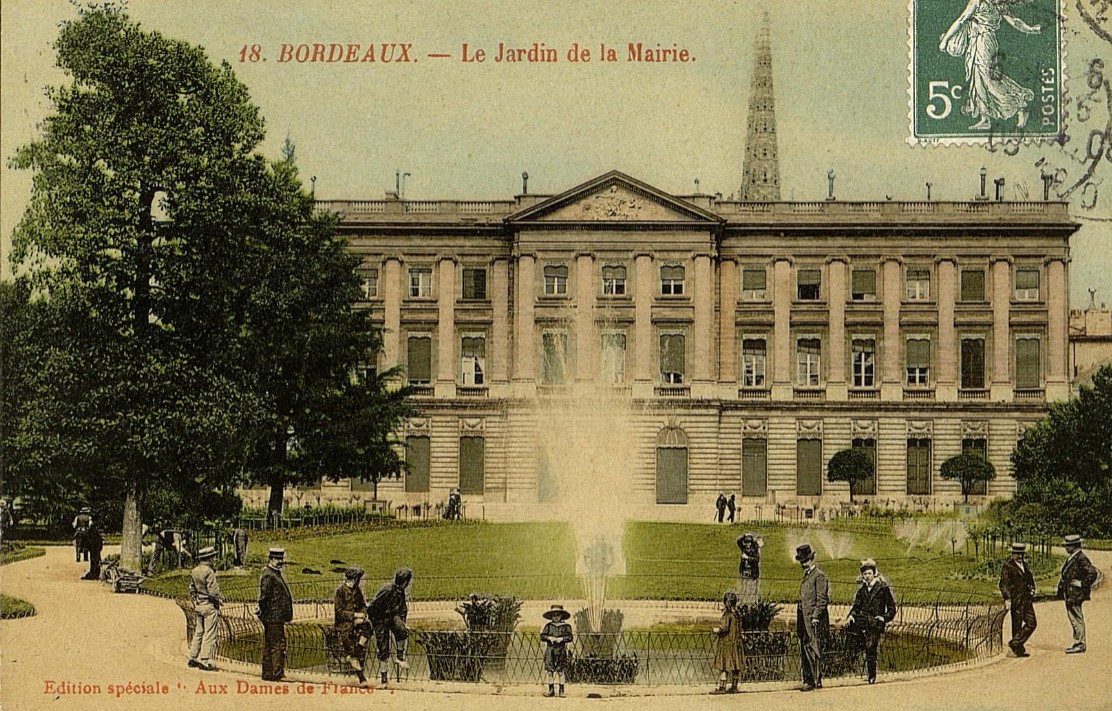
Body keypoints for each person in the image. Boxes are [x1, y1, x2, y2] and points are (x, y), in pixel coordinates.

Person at [938, 0, 1041, 130]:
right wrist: (1030, 29)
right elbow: (1015, 22)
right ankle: (985, 118)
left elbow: (961, 20)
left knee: (987, 78)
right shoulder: (989, 3)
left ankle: (1019, 105)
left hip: (983, 43)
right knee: (979, 78)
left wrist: (945, 40)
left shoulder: (988, 4)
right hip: (978, 42)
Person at [845, 559, 897, 684]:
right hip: (862, 623)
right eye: (865, 574)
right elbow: (856, 606)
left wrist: (884, 617)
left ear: (874, 574)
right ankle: (857, 670)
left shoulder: (882, 588)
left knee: (870, 647)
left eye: (869, 573)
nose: (867, 576)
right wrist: (851, 615)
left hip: (875, 624)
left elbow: (892, 608)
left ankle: (871, 676)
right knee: (857, 644)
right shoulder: (862, 591)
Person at [367, 567, 412, 687]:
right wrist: (374, 622)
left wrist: (403, 622)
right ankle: (384, 679)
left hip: (392, 616)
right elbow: (373, 606)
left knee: (402, 631)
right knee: (383, 648)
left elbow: (402, 609)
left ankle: (400, 657)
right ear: (404, 581)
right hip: (380, 619)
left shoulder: (400, 591)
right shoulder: (387, 590)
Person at [256, 547, 293, 681]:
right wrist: (266, 613)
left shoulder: (273, 572)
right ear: (270, 559)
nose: (280, 561)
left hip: (274, 616)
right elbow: (264, 597)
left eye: (281, 559)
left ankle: (268, 673)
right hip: (273, 616)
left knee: (270, 644)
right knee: (278, 644)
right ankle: (277, 673)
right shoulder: (269, 574)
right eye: (277, 559)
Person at [795, 543, 829, 692]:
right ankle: (809, 679)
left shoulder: (819, 576)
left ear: (812, 559)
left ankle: (813, 680)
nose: (804, 564)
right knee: (805, 648)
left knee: (813, 649)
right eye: (802, 562)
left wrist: (816, 616)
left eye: (806, 561)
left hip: (814, 620)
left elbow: (822, 599)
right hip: (804, 618)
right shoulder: (807, 575)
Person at [1056, 534, 1098, 654]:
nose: (1066, 548)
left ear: (1074, 546)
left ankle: (1079, 643)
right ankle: (1078, 642)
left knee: (1076, 618)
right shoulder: (1074, 557)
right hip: (1070, 593)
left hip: (1075, 593)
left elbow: (1092, 573)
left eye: (1067, 546)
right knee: (1074, 617)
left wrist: (1082, 583)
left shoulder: (1080, 558)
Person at [998, 541, 1037, 657]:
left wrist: (1033, 589)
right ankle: (1018, 650)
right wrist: (1007, 598)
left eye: (1022, 554)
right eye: (1017, 554)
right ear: (1012, 554)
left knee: (1032, 623)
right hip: (1016, 600)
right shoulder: (1008, 566)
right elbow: (1003, 584)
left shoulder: (1025, 565)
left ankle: (1014, 643)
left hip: (1027, 600)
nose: (1020, 556)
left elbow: (1030, 579)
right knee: (1017, 624)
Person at [187, 546, 223, 671]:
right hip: (209, 605)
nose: (214, 559)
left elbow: (191, 589)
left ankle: (192, 656)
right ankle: (205, 659)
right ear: (209, 558)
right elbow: (213, 591)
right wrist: (219, 600)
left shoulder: (194, 571)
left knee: (199, 631)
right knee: (209, 633)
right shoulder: (209, 572)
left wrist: (195, 599)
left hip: (199, 604)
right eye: (212, 557)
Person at [334, 566, 370, 686]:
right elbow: (339, 612)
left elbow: (362, 605)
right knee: (348, 639)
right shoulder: (340, 591)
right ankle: (361, 678)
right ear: (353, 579)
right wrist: (355, 615)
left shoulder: (357, 590)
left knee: (368, 628)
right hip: (344, 623)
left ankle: (355, 653)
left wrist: (363, 615)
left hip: (356, 621)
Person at [711, 590, 744, 694]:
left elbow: (725, 628)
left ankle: (722, 687)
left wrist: (717, 631)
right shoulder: (737, 615)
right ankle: (734, 686)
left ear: (726, 603)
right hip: (736, 644)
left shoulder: (727, 615)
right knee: (736, 666)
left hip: (726, 643)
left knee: (724, 667)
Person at [540, 603, 573, 698]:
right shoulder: (548, 626)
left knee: (560, 671)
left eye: (558, 615)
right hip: (550, 650)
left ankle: (561, 690)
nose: (556, 617)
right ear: (551, 616)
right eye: (553, 615)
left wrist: (562, 639)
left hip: (561, 650)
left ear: (561, 615)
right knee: (550, 671)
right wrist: (549, 637)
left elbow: (570, 637)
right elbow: (542, 636)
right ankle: (551, 690)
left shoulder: (566, 626)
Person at [737, 533, 761, 604]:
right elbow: (738, 541)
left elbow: (756, 560)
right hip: (745, 571)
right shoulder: (744, 549)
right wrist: (744, 535)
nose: (747, 544)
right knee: (744, 588)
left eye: (749, 542)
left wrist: (747, 558)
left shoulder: (755, 550)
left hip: (752, 573)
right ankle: (744, 602)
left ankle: (752, 603)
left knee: (752, 589)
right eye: (746, 542)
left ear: (751, 543)